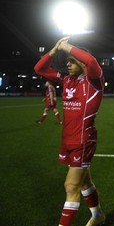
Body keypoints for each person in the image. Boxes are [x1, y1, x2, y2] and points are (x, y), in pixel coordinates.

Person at [34, 36, 106, 226]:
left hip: (83, 140)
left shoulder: (94, 81)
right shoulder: (66, 80)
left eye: (72, 61)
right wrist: (54, 49)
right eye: (67, 61)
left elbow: (91, 61)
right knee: (83, 183)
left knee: (71, 186)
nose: (68, 64)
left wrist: (66, 46)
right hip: (67, 140)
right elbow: (39, 69)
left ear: (82, 63)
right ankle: (98, 216)